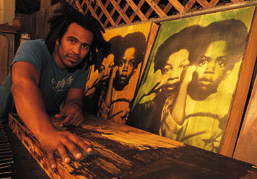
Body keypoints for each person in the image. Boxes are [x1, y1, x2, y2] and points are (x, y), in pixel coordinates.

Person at [0, 3, 109, 167]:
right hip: (1, 120)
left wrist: (74, 108)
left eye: (84, 46)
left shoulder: (81, 65)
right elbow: (23, 85)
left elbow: (75, 98)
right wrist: (46, 132)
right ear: (58, 39)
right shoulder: (33, 49)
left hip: (40, 123)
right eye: (72, 41)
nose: (77, 51)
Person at [160, 19, 248, 152]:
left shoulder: (227, 108)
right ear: (193, 66)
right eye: (203, 62)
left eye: (221, 63)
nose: (209, 69)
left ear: (227, 72)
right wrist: (184, 84)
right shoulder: (174, 100)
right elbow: (168, 134)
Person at [127, 25, 204, 133]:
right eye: (167, 69)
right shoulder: (151, 105)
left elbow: (171, 130)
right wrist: (145, 92)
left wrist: (184, 84)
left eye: (182, 67)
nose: (173, 76)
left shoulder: (195, 105)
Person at [99, 32, 147, 123]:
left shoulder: (135, 92)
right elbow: (103, 114)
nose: (125, 69)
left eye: (131, 63)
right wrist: (112, 79)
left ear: (135, 68)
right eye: (122, 63)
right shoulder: (111, 88)